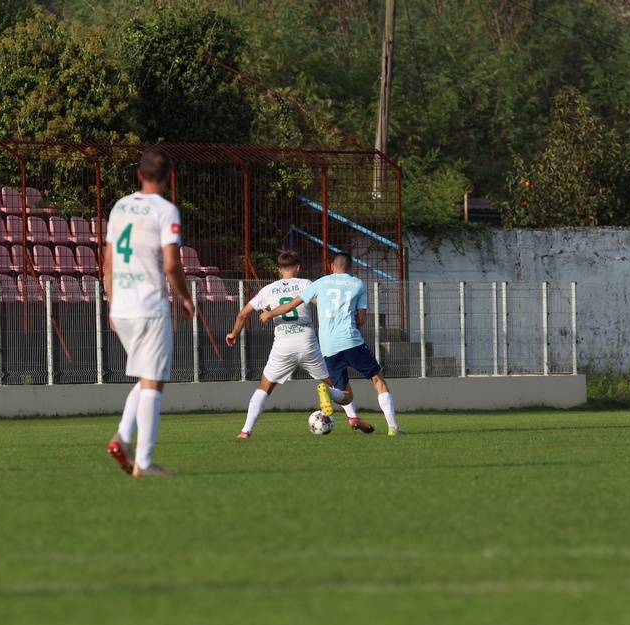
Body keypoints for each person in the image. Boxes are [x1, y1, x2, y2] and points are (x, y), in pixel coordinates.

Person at [103, 148, 195, 477]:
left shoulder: (119, 206)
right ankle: (143, 461)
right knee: (154, 384)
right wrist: (186, 297)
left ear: (139, 174)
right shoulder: (166, 210)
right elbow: (171, 264)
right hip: (149, 306)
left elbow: (108, 263)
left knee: (146, 376)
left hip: (123, 306)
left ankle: (122, 438)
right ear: (168, 176)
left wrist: (112, 304)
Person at [225, 250, 370, 439]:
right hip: (308, 344)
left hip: (283, 346)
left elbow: (242, 315)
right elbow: (324, 305)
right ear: (298, 268)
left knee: (264, 387)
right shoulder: (306, 284)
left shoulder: (268, 290)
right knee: (337, 383)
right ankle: (352, 418)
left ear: (279, 270)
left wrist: (234, 334)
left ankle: (246, 431)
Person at [260, 251, 406, 436]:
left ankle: (329, 392)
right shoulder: (358, 284)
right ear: (351, 267)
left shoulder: (320, 283)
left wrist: (269, 314)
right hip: (351, 341)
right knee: (378, 381)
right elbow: (361, 320)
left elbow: (290, 306)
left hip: (328, 346)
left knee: (345, 395)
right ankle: (393, 427)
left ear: (331, 267)